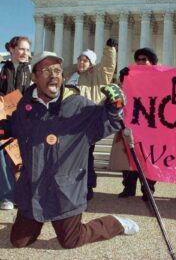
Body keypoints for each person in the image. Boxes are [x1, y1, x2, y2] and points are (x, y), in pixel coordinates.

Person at [0, 51, 138, 249]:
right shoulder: (26, 105)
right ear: (34, 76)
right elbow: (15, 125)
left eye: (57, 70)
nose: (54, 74)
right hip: (33, 191)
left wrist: (114, 108)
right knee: (19, 241)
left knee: (70, 241)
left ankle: (115, 223)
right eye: (46, 70)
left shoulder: (77, 105)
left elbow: (104, 120)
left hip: (64, 192)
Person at [64, 38, 118, 201]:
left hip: (86, 120)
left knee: (86, 155)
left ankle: (87, 186)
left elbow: (108, 66)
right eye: (80, 59)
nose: (82, 62)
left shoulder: (97, 76)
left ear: (92, 64)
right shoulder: (69, 73)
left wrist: (110, 49)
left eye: (86, 60)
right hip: (67, 121)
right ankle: (69, 185)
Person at [112, 47, 158, 201]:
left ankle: (148, 188)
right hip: (132, 123)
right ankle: (129, 187)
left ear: (152, 62)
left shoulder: (159, 78)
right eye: (137, 59)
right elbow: (121, 97)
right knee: (129, 156)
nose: (140, 62)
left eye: (144, 59)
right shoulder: (130, 77)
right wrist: (123, 79)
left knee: (149, 158)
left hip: (151, 125)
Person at [0, 36, 32, 210]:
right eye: (21, 49)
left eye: (27, 50)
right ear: (12, 49)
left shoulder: (32, 72)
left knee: (21, 158)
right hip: (2, 118)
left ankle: (21, 195)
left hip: (22, 119)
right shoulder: (2, 68)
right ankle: (7, 196)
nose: (25, 53)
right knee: (2, 157)